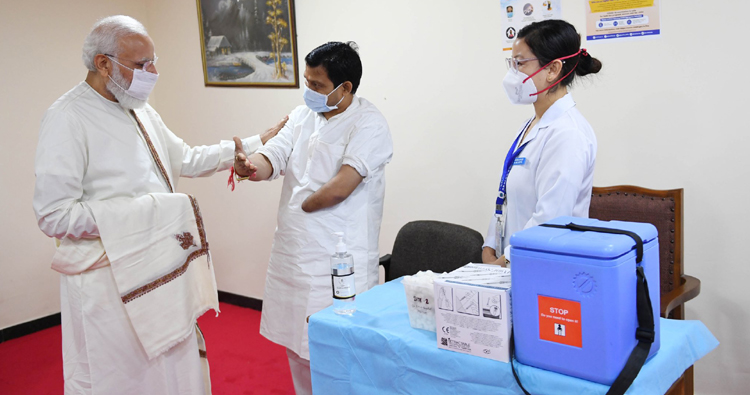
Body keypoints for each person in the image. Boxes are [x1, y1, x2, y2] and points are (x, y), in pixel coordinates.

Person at [33, 15, 284, 394]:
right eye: (141, 64)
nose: (153, 72)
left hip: (159, 266)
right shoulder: (67, 118)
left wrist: (247, 145)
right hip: (108, 280)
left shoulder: (140, 108)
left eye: (154, 61)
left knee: (171, 371)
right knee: (122, 377)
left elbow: (184, 158)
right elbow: (54, 215)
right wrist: (148, 214)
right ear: (103, 64)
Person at [231, 41, 393, 395]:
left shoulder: (369, 124)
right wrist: (251, 167)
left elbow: (340, 187)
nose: (309, 92)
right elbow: (273, 155)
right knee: (296, 347)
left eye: (317, 86)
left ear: (345, 87)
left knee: (335, 352)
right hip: (296, 254)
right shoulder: (304, 115)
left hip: (337, 257)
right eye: (307, 82)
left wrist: (300, 205)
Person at [482, 19, 602, 266]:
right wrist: (490, 245)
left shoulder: (569, 134)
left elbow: (550, 219)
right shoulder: (533, 124)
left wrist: (502, 262)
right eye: (511, 63)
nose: (512, 73)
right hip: (513, 263)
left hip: (545, 268)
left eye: (520, 63)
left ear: (553, 69)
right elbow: (508, 198)